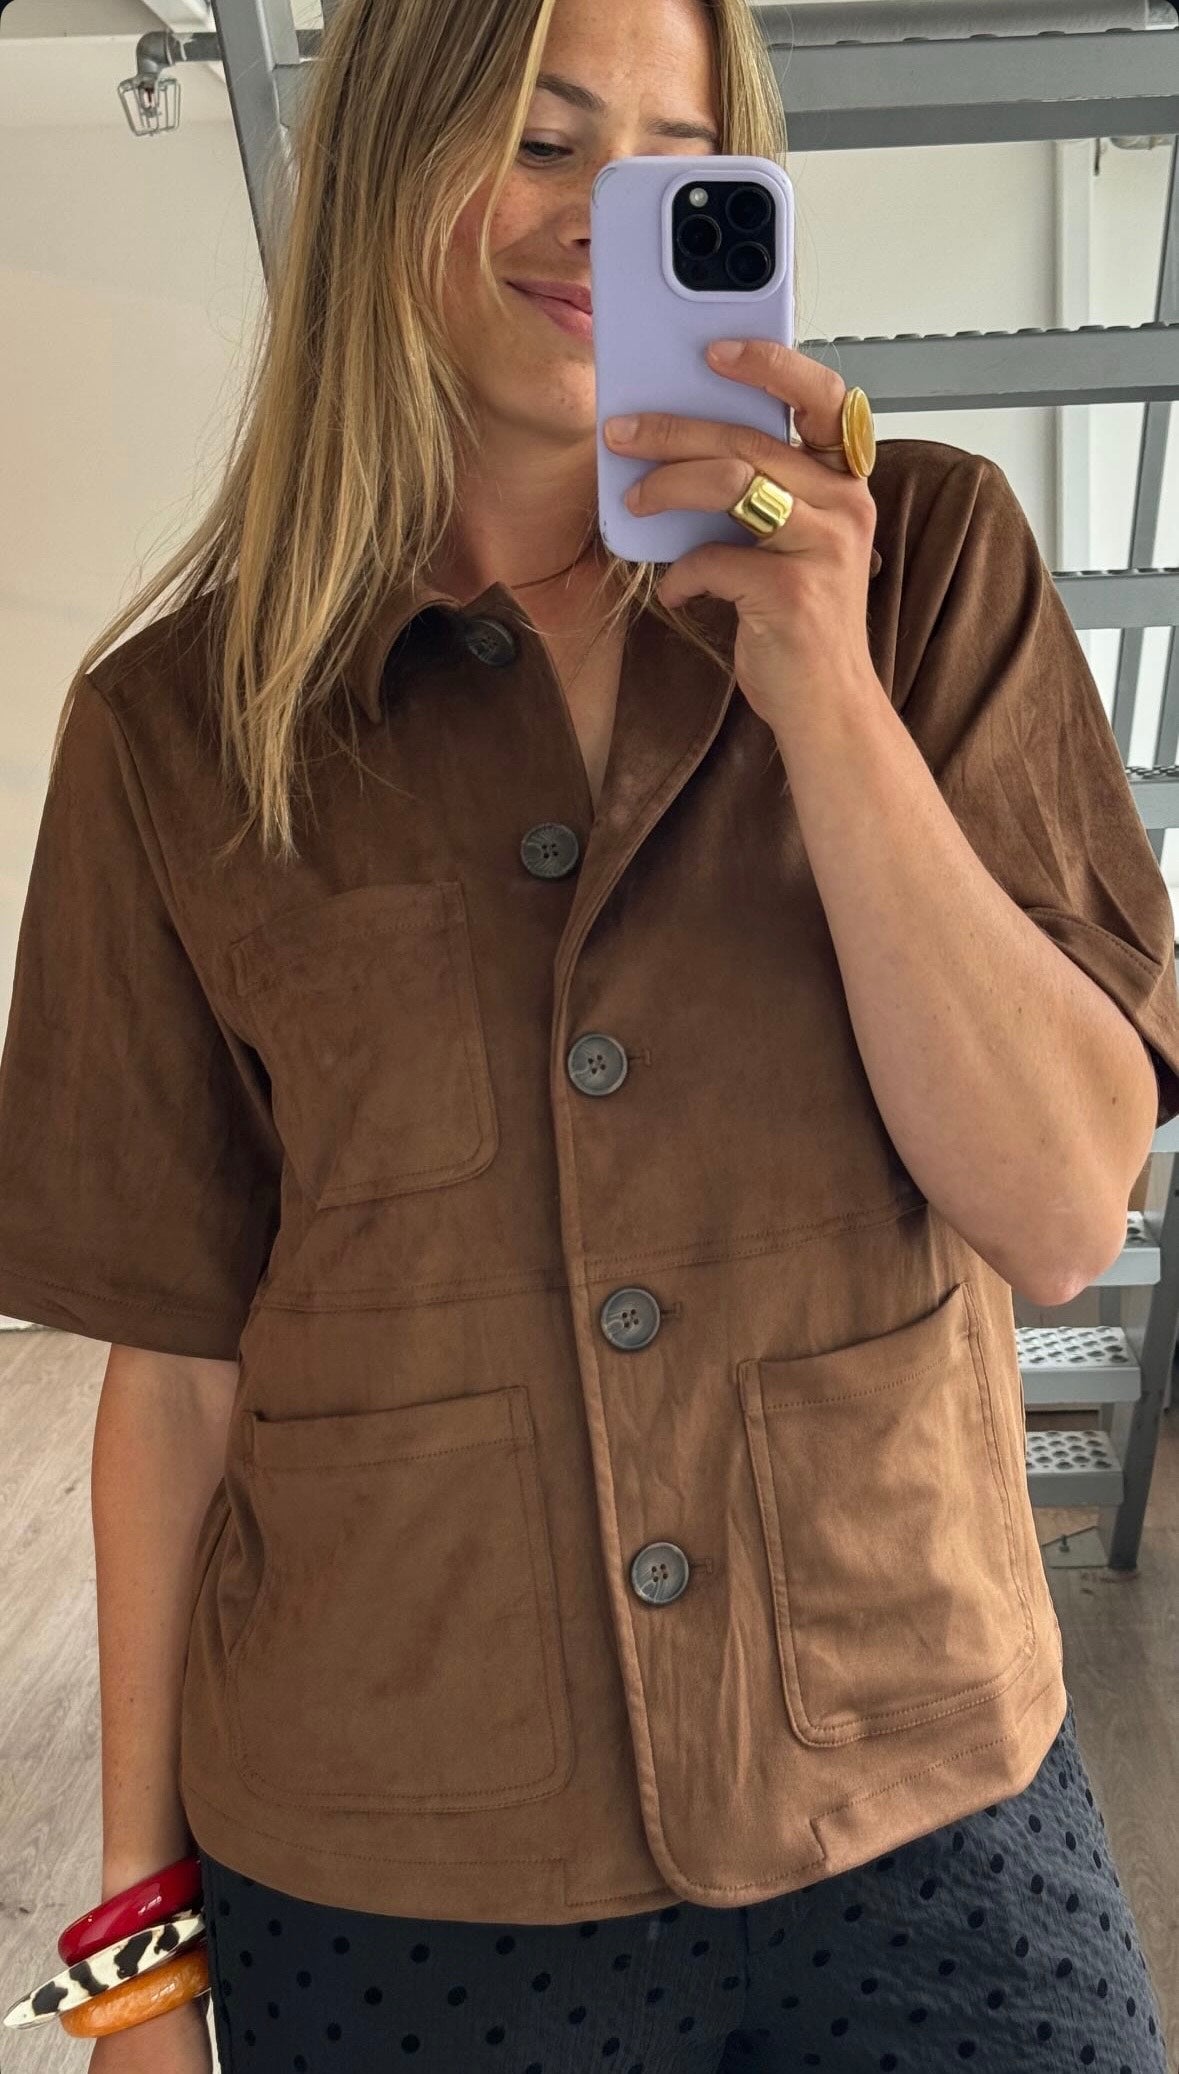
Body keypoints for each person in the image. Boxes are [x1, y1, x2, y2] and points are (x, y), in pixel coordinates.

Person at [0, 0, 1176, 2067]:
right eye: (538, 143)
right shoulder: (178, 728)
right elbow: (172, 1381)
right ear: (390, 167)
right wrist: (134, 1967)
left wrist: (825, 694)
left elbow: (1063, 1208)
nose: (598, 218)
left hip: (913, 1786)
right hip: (395, 1852)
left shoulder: (928, 573)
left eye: (673, 165)